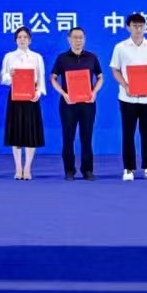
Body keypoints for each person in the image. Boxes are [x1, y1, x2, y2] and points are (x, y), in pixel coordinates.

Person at [110, 12, 147, 181]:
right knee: (128, 133)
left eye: (141, 26)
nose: (138, 29)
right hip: (127, 97)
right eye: (135, 26)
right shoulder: (120, 47)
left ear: (145, 27)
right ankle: (128, 168)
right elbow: (115, 70)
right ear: (128, 27)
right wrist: (125, 85)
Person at [49, 26, 103, 180]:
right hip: (68, 103)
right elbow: (53, 78)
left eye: (81, 38)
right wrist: (63, 93)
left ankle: (87, 170)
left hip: (88, 103)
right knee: (68, 137)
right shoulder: (62, 58)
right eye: (75, 37)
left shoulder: (92, 57)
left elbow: (100, 77)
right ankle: (69, 170)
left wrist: (94, 92)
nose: (78, 40)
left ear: (84, 40)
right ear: (69, 40)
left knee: (87, 137)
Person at [0, 26, 46, 180]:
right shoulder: (9, 57)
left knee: (30, 133)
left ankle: (27, 168)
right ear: (15, 40)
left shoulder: (37, 57)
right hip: (15, 98)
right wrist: (10, 75)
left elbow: (41, 77)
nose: (22, 40)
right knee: (16, 132)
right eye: (19, 37)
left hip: (31, 98)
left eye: (25, 37)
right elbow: (3, 79)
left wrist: (38, 93)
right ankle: (18, 168)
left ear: (30, 40)